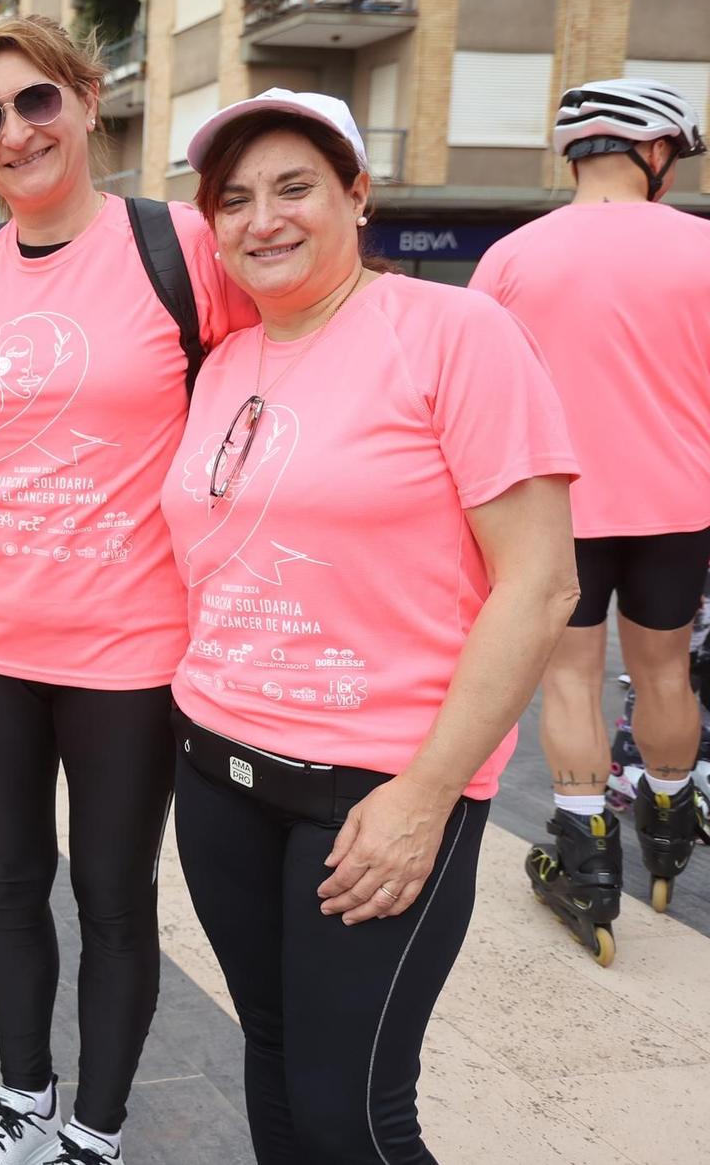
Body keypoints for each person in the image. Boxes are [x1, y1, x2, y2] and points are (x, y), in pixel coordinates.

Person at [165, 89, 580, 1162]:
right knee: (268, 1052)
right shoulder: (225, 362)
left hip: (375, 791)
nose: (262, 217)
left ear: (356, 194)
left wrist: (425, 794)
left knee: (351, 1113)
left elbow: (537, 586)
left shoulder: (452, 333)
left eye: (294, 186)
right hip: (218, 770)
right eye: (235, 197)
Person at [0, 15, 254, 1165]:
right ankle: (20, 1104)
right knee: (6, 881)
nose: (14, 133)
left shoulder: (180, 248)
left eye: (34, 102)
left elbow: (282, 378)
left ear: (86, 98)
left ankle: (91, 1133)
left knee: (112, 894)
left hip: (130, 648)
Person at [470, 79, 710, 941]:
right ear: (655, 154)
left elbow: (483, 398)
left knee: (569, 678)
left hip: (557, 509)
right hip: (680, 504)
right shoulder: (704, 248)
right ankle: (672, 825)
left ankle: (586, 856)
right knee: (665, 673)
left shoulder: (510, 257)